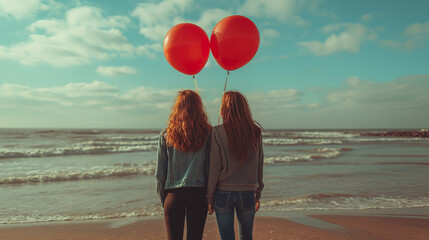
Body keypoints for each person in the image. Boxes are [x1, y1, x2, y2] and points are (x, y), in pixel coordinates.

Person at [207, 91, 264, 240]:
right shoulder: (255, 132)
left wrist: (209, 197)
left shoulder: (217, 132)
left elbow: (214, 168)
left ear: (225, 108)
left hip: (223, 193)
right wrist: (258, 192)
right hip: (247, 192)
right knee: (247, 237)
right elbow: (259, 165)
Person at [156, 90, 212, 240]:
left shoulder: (166, 134)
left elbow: (160, 173)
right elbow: (210, 168)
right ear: (198, 107)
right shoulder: (208, 133)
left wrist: (164, 199)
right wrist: (211, 196)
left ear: (177, 108)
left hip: (174, 195)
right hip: (198, 194)